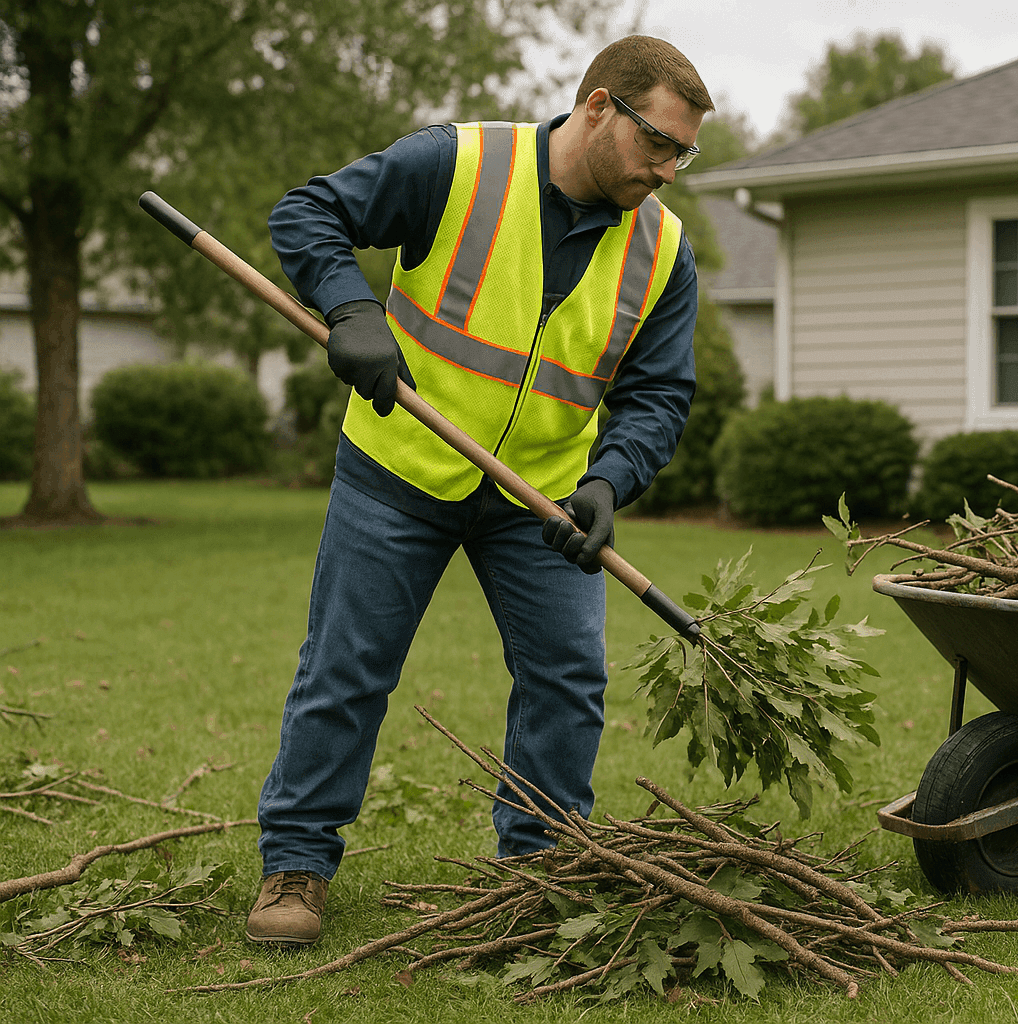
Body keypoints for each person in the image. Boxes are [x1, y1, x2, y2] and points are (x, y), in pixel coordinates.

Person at [244, 35, 712, 946]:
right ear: (599, 108)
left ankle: (539, 870)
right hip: (399, 473)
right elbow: (305, 215)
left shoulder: (663, 250)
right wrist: (350, 308)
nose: (667, 171)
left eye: (683, 155)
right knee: (347, 670)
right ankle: (295, 866)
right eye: (659, 143)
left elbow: (659, 393)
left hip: (542, 502)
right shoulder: (454, 165)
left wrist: (610, 482)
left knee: (568, 680)